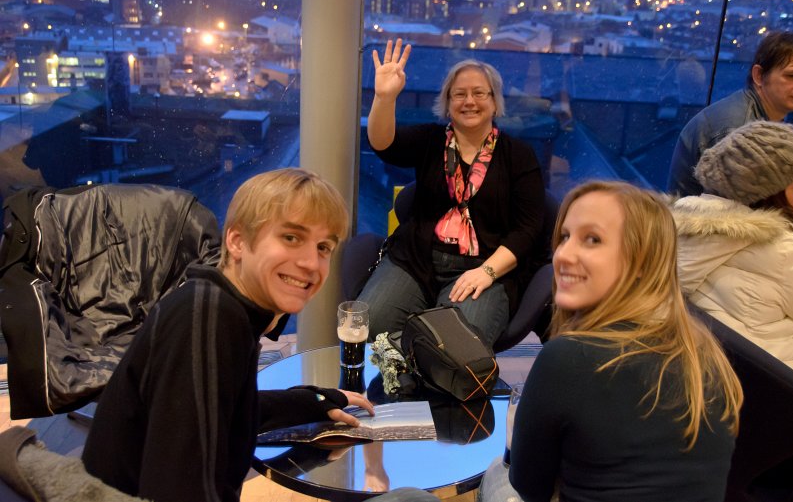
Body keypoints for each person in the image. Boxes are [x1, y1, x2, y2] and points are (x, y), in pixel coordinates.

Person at [81, 168, 378, 502]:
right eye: (291, 238)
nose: (311, 262)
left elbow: (227, 410)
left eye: (324, 247)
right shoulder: (209, 318)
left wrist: (314, 402)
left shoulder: (221, 309)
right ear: (237, 241)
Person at [480, 181, 743, 502]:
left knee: (493, 475)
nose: (564, 254)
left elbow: (529, 487)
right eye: (564, 237)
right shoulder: (707, 355)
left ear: (640, 260)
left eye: (592, 239)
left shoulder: (568, 359)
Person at [359, 38, 546, 345]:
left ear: (495, 102)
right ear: (446, 104)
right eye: (459, 94)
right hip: (416, 260)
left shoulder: (519, 155)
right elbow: (384, 144)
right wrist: (384, 98)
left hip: (485, 266)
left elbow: (528, 229)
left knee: (452, 347)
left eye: (479, 93)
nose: (469, 101)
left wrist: (487, 272)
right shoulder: (431, 141)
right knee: (368, 328)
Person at [672, 120, 793, 372]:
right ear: (766, 191)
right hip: (784, 385)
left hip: (723, 376)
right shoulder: (786, 248)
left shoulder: (675, 224)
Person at [668, 30, 793, 196]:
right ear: (758, 75)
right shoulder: (737, 130)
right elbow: (735, 212)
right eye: (792, 76)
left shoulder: (763, 116)